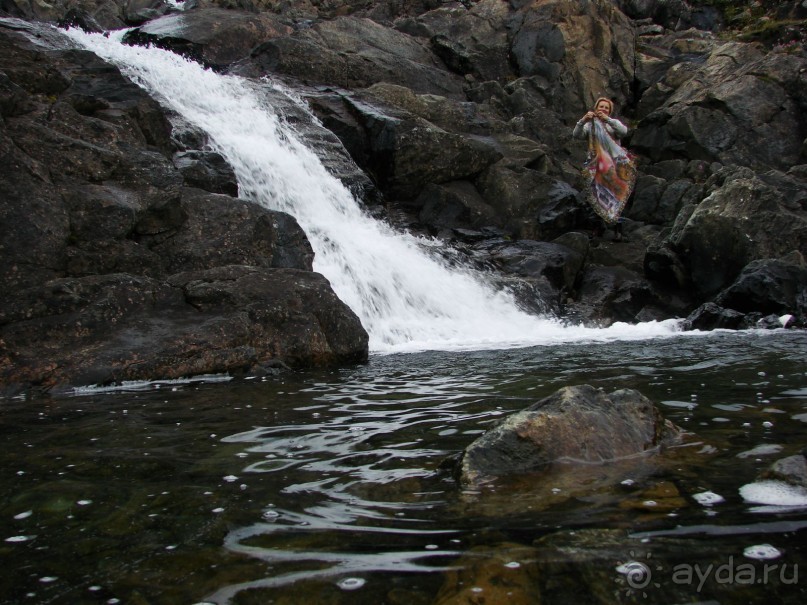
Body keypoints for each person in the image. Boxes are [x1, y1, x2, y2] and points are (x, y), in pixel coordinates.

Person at [572, 97, 637, 241]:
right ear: (596, 108)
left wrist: (608, 119)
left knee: (617, 196)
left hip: (614, 166)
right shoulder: (590, 126)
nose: (603, 109)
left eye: (606, 108)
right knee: (596, 195)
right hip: (596, 166)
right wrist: (583, 120)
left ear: (610, 111)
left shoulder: (612, 124)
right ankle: (598, 227)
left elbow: (623, 131)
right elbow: (576, 135)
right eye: (601, 106)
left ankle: (617, 230)